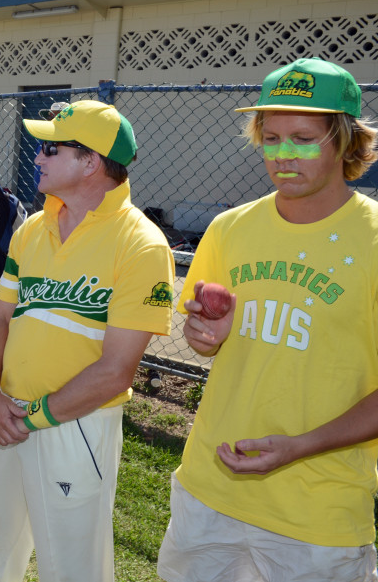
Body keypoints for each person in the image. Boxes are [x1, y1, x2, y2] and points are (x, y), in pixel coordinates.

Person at [157, 58, 378, 582]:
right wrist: (204, 335)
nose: (282, 155)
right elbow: (207, 342)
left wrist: (301, 446)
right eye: (271, 137)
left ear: (347, 142)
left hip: (316, 512)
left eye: (303, 138)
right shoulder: (230, 228)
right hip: (209, 487)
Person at [0, 100, 174, 582]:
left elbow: (117, 369)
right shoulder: (34, 227)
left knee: (73, 564)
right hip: (7, 414)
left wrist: (32, 418)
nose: (37, 157)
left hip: (75, 424)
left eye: (51, 148)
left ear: (91, 162)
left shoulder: (141, 243)